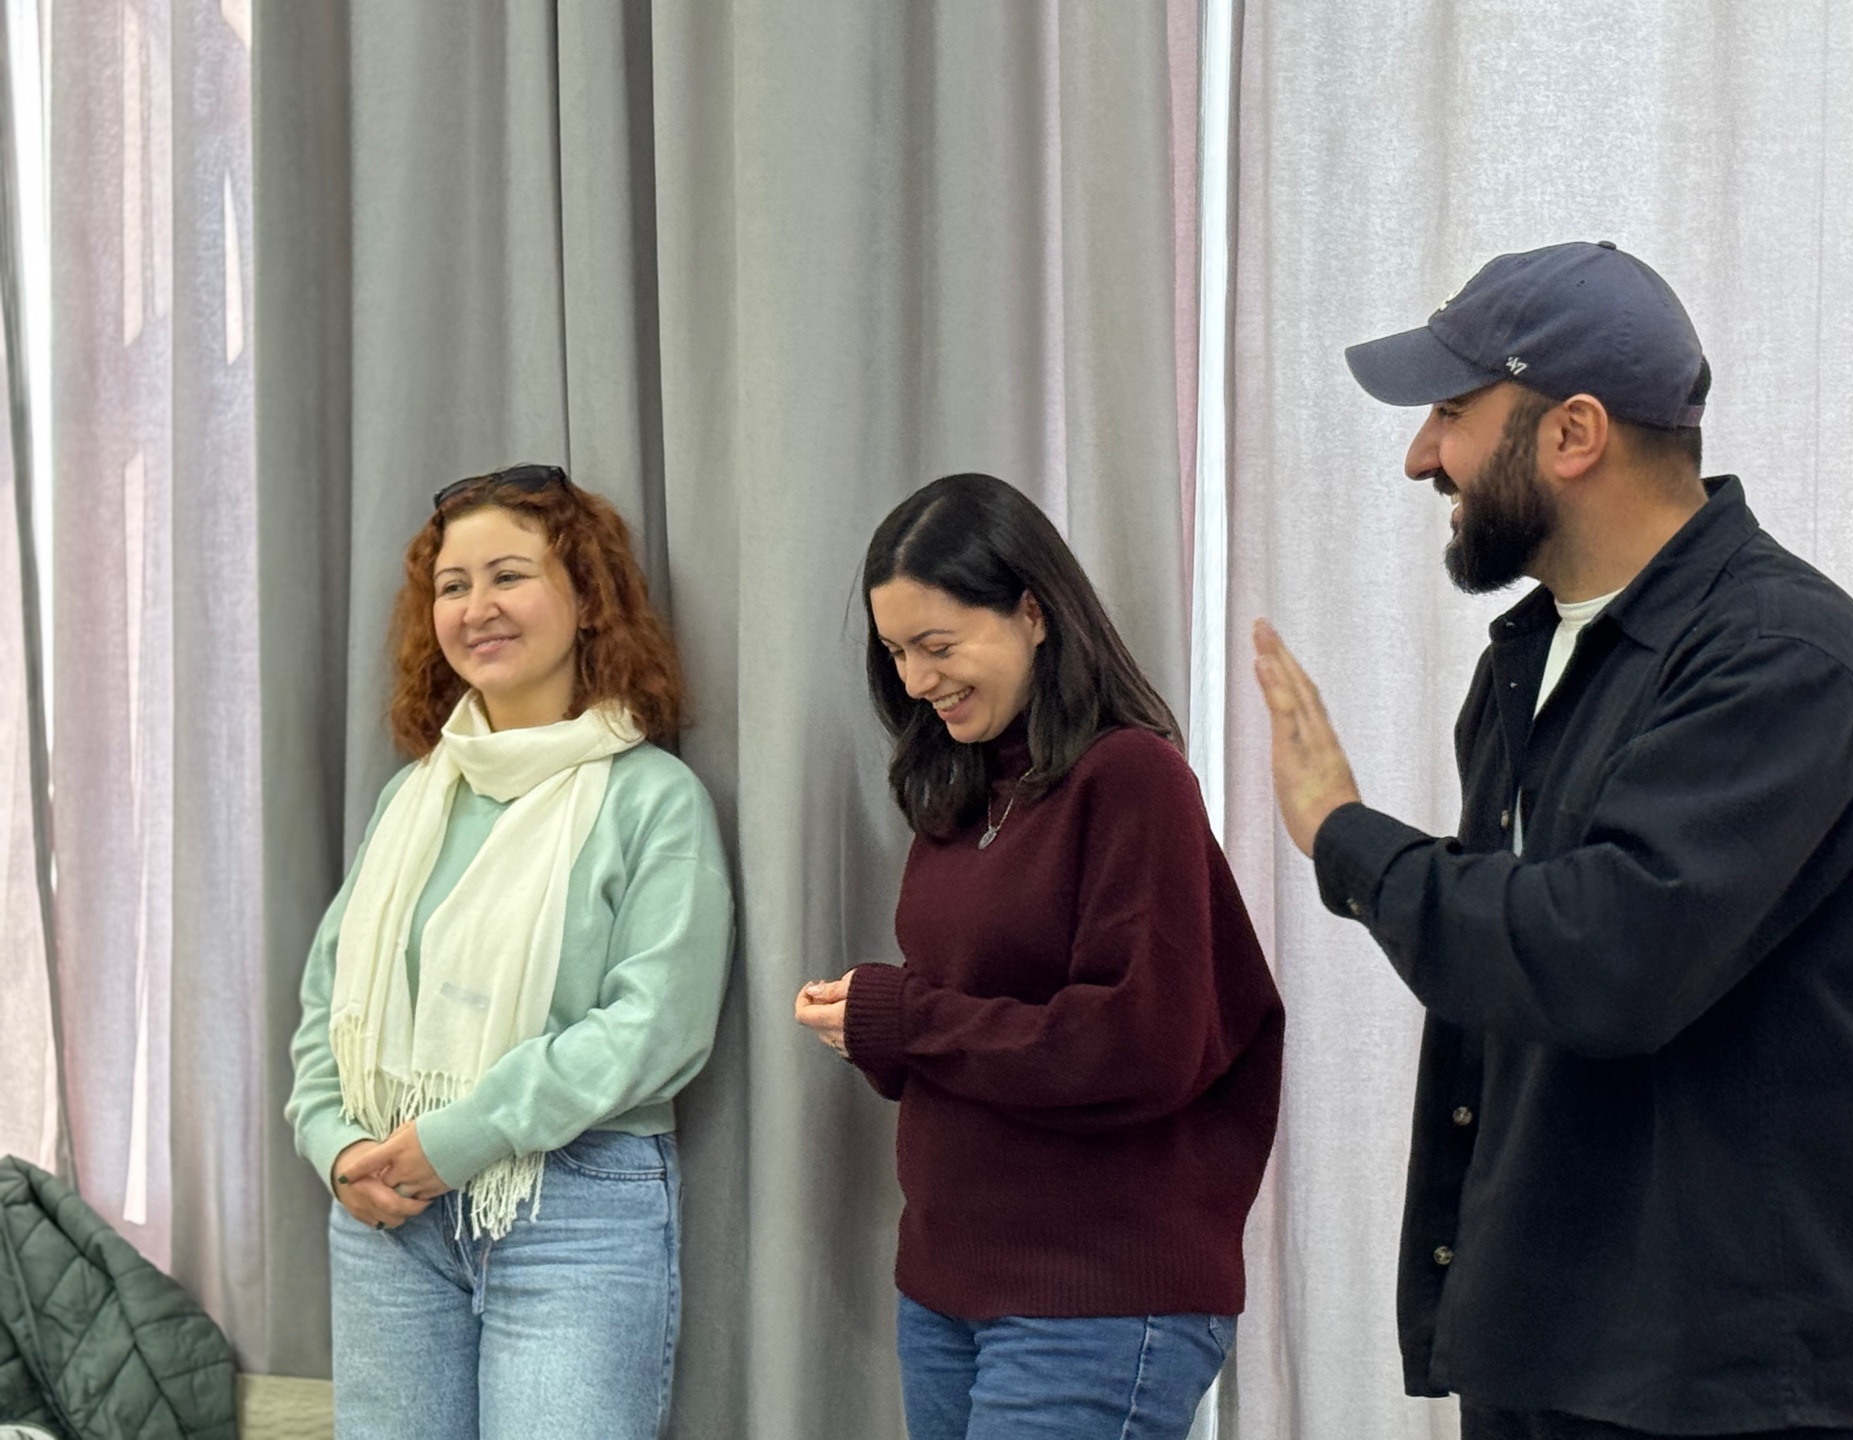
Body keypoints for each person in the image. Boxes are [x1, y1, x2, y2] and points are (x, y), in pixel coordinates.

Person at [1252, 241, 1853, 1440]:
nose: (1420, 456)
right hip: (1554, 1349)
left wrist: (1348, 842)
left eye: (1450, 414)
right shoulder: (1527, 663)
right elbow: (1514, 993)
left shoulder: (1784, 658)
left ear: (1573, 433)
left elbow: (1602, 956)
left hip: (1733, 1390)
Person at [794, 472, 1285, 1440]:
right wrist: (878, 1031)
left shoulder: (1132, 778)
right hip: (946, 1290)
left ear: (1032, 612)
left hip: (1095, 1297)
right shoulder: (963, 789)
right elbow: (978, 1021)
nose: (916, 681)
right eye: (896, 653)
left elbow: (1136, 1042)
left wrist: (905, 1020)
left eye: (938, 646)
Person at [286, 463, 733, 1439]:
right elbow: (329, 995)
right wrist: (334, 1143)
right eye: (453, 585)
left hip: (572, 1208)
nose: (476, 607)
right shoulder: (412, 798)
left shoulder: (652, 799)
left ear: (587, 597)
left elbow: (656, 1026)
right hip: (389, 1209)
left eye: (509, 576)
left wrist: (461, 1138)